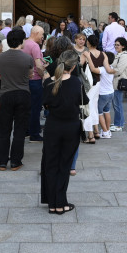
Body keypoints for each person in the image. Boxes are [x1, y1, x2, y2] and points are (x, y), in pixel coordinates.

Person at [40, 49, 87, 215]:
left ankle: (52, 203)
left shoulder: (48, 83)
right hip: (71, 127)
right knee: (64, 165)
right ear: (73, 67)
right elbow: (84, 101)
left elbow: (45, 104)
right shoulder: (76, 83)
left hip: (53, 126)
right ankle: (61, 203)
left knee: (50, 164)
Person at [0, 28, 33, 171]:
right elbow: (30, 75)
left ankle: (1, 161)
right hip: (23, 94)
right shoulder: (27, 58)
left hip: (6, 94)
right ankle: (16, 161)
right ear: (21, 41)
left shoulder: (0, 58)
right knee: (20, 130)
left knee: (4, 129)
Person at [23, 25, 46, 142]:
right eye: (42, 35)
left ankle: (27, 130)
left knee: (27, 108)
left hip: (25, 80)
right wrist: (43, 76)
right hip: (35, 80)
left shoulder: (25, 43)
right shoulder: (35, 46)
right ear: (36, 33)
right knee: (36, 108)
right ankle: (34, 134)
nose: (42, 37)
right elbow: (38, 66)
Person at [110, 37, 127, 132]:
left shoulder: (124, 56)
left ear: (123, 46)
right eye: (115, 44)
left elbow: (118, 70)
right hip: (116, 81)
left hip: (119, 82)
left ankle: (119, 124)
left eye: (118, 45)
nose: (116, 46)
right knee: (116, 103)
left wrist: (108, 71)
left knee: (117, 104)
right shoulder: (119, 54)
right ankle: (118, 122)